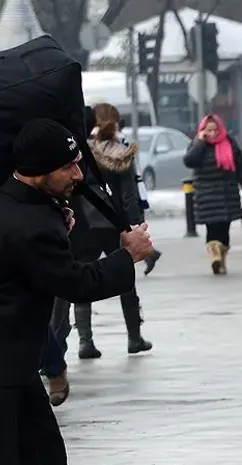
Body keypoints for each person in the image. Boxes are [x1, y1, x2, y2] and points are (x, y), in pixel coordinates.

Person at [0, 118, 154, 465]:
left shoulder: (8, 200)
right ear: (39, 172)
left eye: (77, 163)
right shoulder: (28, 222)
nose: (78, 174)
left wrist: (58, 224)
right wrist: (128, 256)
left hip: (9, 361)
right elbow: (76, 284)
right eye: (68, 167)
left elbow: (25, 261)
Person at [65, 103, 154, 358]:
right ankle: (134, 338)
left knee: (82, 278)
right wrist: (134, 226)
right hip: (113, 224)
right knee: (125, 276)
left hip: (83, 223)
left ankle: (85, 341)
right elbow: (128, 196)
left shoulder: (78, 151)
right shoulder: (120, 152)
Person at [183, 114, 242, 275]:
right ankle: (215, 256)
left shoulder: (229, 143)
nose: (213, 133)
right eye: (209, 130)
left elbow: (241, 168)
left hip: (227, 194)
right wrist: (201, 141)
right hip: (206, 195)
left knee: (224, 230)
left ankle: (219, 257)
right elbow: (189, 160)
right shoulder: (198, 144)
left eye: (215, 129)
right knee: (212, 228)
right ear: (202, 130)